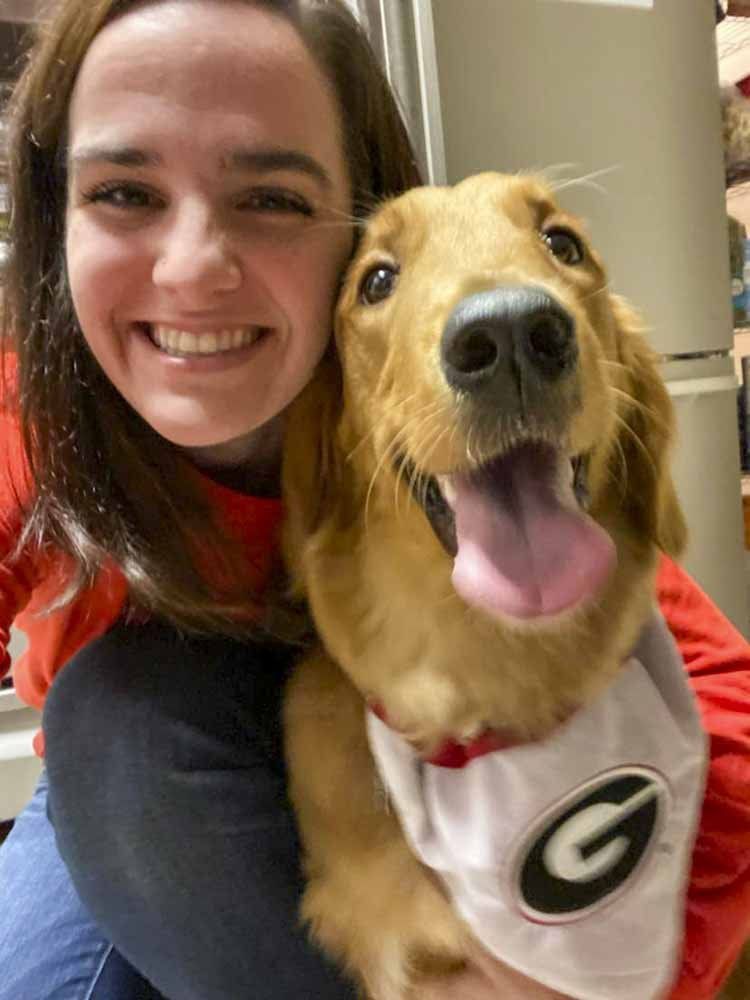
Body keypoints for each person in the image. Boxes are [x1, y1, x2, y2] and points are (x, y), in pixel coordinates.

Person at [0, 1, 747, 998]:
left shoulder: (411, 403)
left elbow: (703, 684)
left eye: (270, 197)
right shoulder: (30, 423)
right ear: (54, 224)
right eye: (125, 192)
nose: (190, 269)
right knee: (116, 722)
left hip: (397, 751)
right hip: (135, 786)